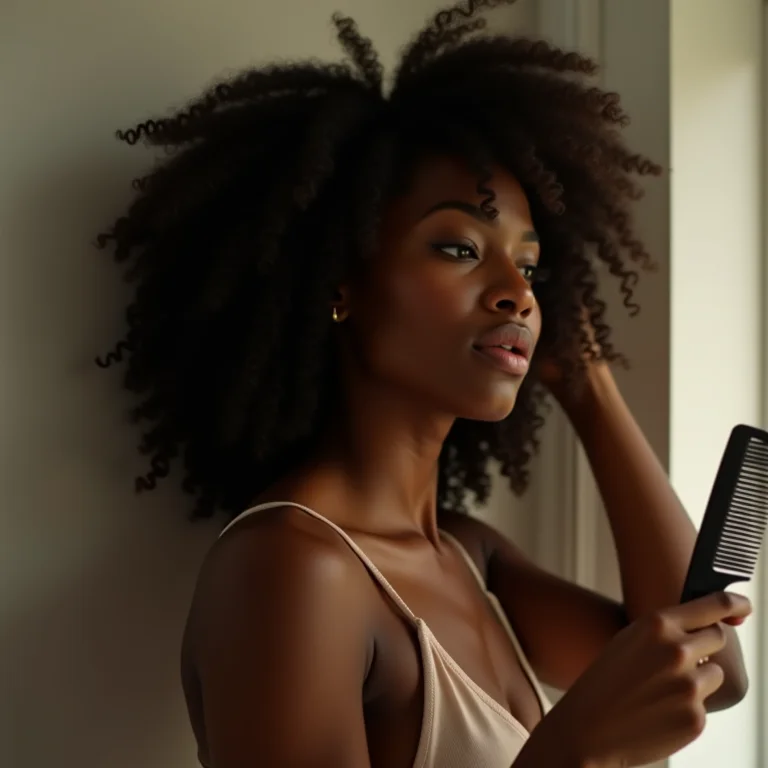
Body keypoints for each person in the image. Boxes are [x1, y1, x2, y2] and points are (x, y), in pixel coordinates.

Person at [96, 1, 751, 766]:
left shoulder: (471, 555)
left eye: (530, 266)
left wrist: (590, 388)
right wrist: (566, 755)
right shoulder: (292, 568)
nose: (518, 290)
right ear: (341, 281)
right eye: (458, 247)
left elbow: (711, 672)